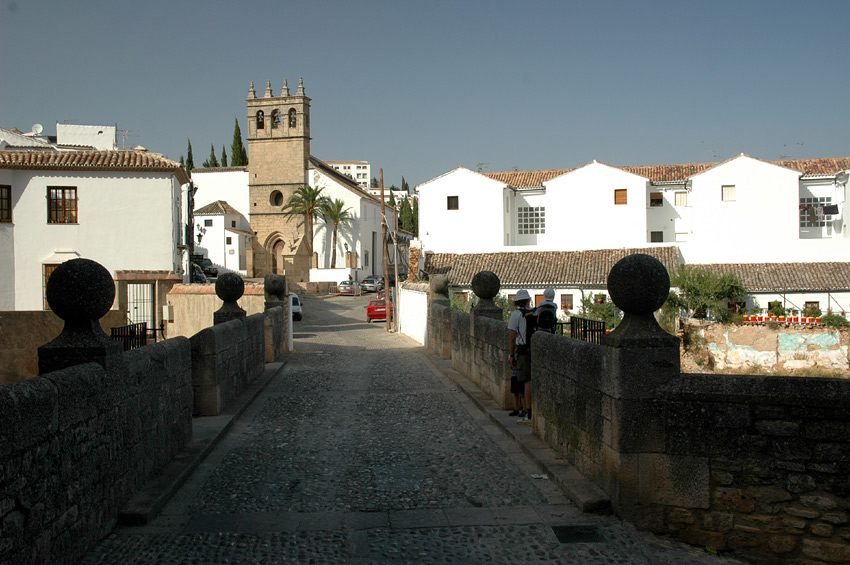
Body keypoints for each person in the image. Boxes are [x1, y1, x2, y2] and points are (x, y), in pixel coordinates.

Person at [507, 289, 534, 424]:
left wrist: (512, 354)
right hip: (534, 349)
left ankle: (528, 411)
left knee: (525, 380)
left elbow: (512, 337)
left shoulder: (516, 314)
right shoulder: (533, 313)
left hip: (523, 351)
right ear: (528, 300)